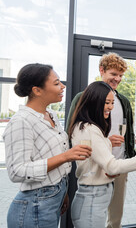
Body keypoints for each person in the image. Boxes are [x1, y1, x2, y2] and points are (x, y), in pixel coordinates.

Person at [3, 63, 92, 228]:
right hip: (34, 205)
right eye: (57, 83)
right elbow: (17, 171)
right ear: (37, 90)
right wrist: (66, 156)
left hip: (52, 197)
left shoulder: (50, 115)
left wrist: (62, 192)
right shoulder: (21, 122)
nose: (63, 86)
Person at [67, 81, 136, 227]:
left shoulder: (89, 128)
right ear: (94, 101)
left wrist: (107, 143)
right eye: (107, 102)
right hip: (92, 200)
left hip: (95, 198)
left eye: (112, 103)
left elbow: (91, 160)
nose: (111, 107)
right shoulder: (88, 129)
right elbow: (112, 166)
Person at [66, 52, 135, 228]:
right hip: (94, 169)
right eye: (113, 74)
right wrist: (106, 141)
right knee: (93, 214)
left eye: (120, 75)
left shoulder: (123, 101)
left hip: (119, 165)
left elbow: (129, 133)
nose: (117, 79)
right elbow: (71, 132)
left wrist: (129, 156)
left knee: (115, 216)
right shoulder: (83, 98)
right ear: (101, 71)